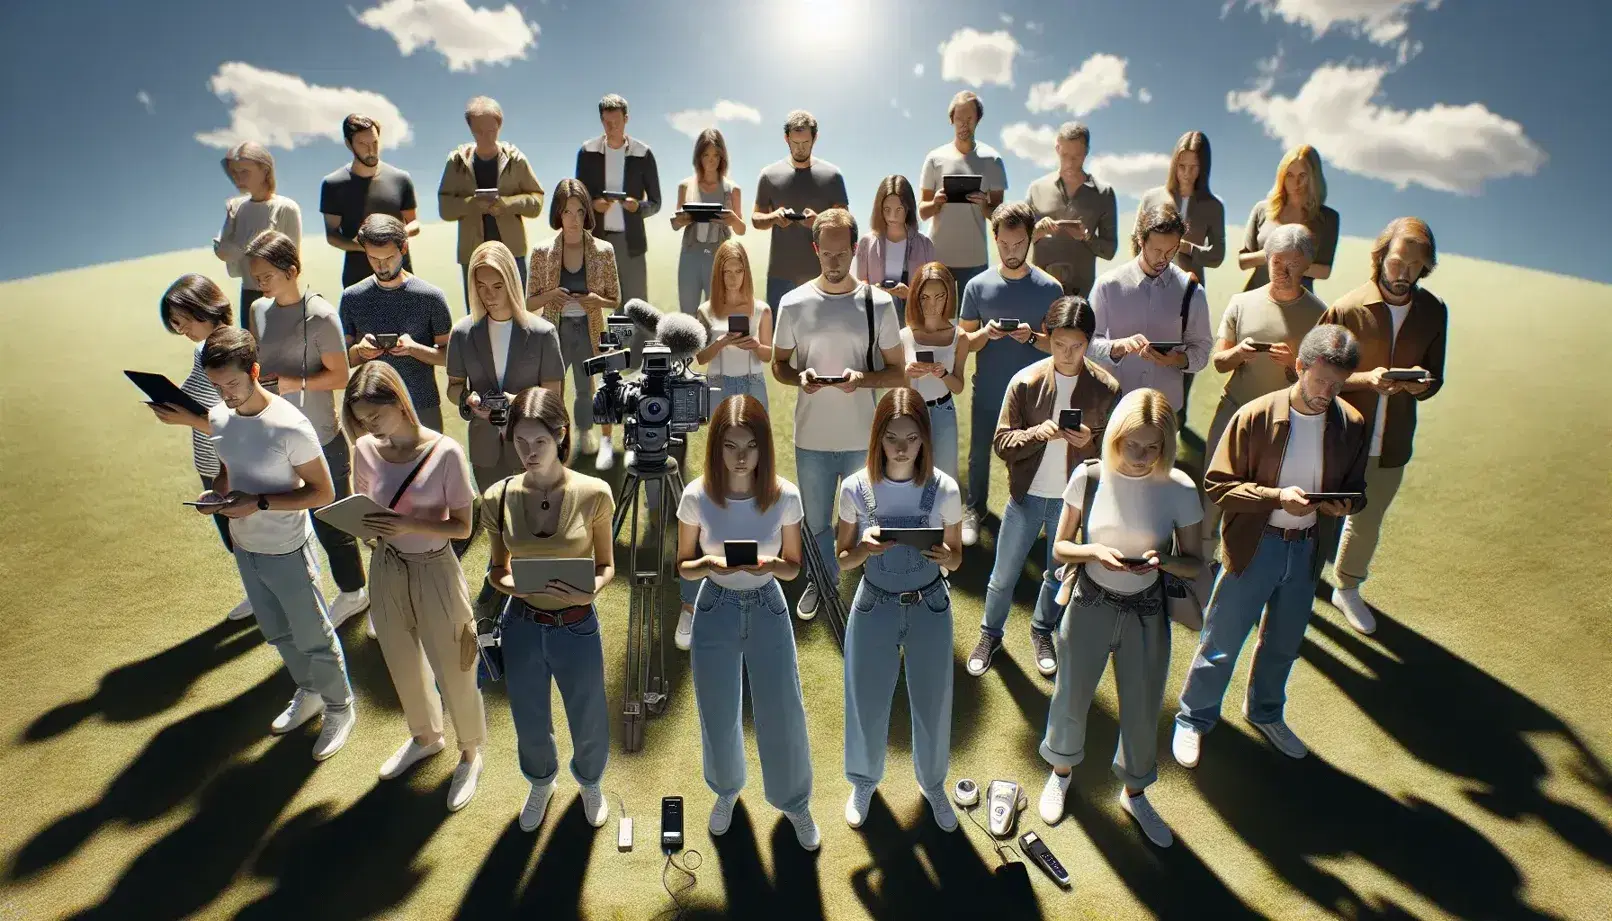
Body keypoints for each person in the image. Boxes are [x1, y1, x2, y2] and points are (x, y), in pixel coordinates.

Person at [1173, 324, 1369, 769]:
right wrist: (1276, 498)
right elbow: (1218, 486)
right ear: (1299, 367)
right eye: (1320, 380)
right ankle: (1193, 717)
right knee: (1222, 640)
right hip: (1254, 546)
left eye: (1337, 385)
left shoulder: (1350, 424)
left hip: (1306, 550)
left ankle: (1265, 712)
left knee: (1283, 641)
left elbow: (1358, 491)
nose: (1327, 393)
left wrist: (1341, 505)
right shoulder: (1256, 415)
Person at [1037, 388, 1204, 848]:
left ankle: (1135, 792)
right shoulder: (1089, 476)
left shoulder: (1180, 488)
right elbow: (1059, 547)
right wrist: (1093, 552)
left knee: (1143, 704)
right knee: (1071, 696)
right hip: (1090, 600)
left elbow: (1194, 562)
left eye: (1154, 447)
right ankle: (1061, 772)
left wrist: (1162, 561)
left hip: (1147, 611)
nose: (1143, 456)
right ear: (1115, 437)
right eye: (1134, 444)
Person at [195, 326, 356, 760]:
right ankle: (310, 691)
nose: (225, 393)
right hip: (246, 546)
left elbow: (323, 493)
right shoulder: (218, 417)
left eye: (232, 382)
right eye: (217, 385)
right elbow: (228, 469)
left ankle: (341, 706)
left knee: (313, 633)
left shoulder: (290, 426)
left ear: (254, 371)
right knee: (276, 631)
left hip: (287, 547)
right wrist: (218, 491)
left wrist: (259, 503)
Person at [675, 395, 819, 848]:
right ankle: (725, 791)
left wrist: (770, 564)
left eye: (750, 446)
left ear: (763, 447)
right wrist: (711, 565)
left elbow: (793, 566)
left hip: (767, 605)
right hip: (714, 607)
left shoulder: (785, 495)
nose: (741, 457)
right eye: (731, 445)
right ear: (716, 447)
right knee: (717, 712)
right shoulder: (696, 495)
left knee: (782, 711)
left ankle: (795, 803)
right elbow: (684, 566)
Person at [343, 362, 486, 811]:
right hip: (386, 564)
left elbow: (463, 528)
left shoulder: (445, 453)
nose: (369, 428)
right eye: (362, 421)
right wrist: (367, 529)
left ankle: (470, 752)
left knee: (456, 662)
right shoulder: (364, 449)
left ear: (399, 402)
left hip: (434, 567)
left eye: (375, 417)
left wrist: (406, 523)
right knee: (399, 657)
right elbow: (362, 504)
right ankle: (425, 737)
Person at [481, 387, 616, 832]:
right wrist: (512, 586)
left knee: (588, 711)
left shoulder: (594, 493)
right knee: (528, 714)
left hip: (577, 625)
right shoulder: (496, 497)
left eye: (538, 440)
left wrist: (588, 593)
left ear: (560, 435)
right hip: (520, 625)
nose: (528, 451)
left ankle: (590, 782)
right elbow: (496, 571)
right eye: (519, 441)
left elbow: (606, 565)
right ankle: (541, 782)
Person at [969, 296, 1121, 679]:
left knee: (1056, 576)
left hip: (1071, 505)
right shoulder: (1025, 382)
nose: (1068, 354)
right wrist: (1038, 433)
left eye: (1077, 346)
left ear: (1089, 342)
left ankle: (1042, 631)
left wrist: (1088, 441)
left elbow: (1118, 457)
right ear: (1047, 337)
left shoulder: (1107, 388)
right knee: (1003, 576)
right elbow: (1002, 443)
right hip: (1027, 497)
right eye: (1058, 345)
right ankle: (990, 633)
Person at [836, 388, 964, 832]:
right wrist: (863, 549)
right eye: (893, 437)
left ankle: (932, 785)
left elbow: (957, 557)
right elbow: (843, 557)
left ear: (925, 438)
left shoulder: (944, 488)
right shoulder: (856, 487)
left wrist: (947, 558)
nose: (903, 447)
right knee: (866, 699)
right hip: (874, 603)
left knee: (932, 700)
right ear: (879, 438)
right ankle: (864, 782)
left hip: (930, 604)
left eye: (911, 437)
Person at [771, 208, 906, 621]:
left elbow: (898, 372)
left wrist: (860, 379)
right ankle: (821, 582)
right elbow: (779, 365)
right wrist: (801, 377)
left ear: (854, 250)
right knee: (815, 524)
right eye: (826, 254)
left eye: (841, 253)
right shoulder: (792, 304)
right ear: (815, 250)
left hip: (861, 438)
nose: (833, 262)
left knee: (868, 521)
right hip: (811, 437)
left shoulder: (878, 303)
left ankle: (875, 591)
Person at [1319, 218, 1447, 634]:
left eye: (1415, 265)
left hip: (1392, 444)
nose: (1404, 272)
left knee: (1367, 519)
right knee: (1318, 514)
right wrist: (1365, 380)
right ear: (1381, 258)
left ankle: (1347, 587)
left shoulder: (1434, 312)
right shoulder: (1345, 308)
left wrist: (1421, 386)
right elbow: (1311, 371)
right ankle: (1294, 585)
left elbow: (1435, 379)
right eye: (1397, 261)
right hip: (1340, 437)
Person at [243, 230, 370, 627]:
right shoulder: (258, 312)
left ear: (292, 270)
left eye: (267, 276)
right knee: (285, 515)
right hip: (273, 434)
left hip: (319, 436)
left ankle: (354, 591)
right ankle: (302, 582)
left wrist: (295, 382)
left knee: (331, 520)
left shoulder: (321, 316)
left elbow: (340, 376)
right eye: (256, 277)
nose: (260, 285)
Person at [446, 240, 565, 616]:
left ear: (512, 283)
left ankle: (537, 579)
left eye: (497, 286)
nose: (489, 294)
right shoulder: (463, 333)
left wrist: (521, 402)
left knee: (534, 513)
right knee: (496, 514)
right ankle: (499, 574)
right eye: (481, 286)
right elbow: (453, 387)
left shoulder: (543, 333)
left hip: (530, 445)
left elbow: (554, 394)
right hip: (484, 445)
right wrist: (467, 402)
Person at [1202, 224, 1327, 562]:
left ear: (1306, 266)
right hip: (1234, 410)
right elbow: (1219, 362)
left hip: (1283, 421)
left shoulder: (1320, 315)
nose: (1283, 272)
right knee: (1214, 488)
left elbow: (1320, 382)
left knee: (1261, 497)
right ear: (1267, 260)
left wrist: (1293, 366)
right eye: (1276, 262)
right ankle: (1198, 562)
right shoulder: (1241, 303)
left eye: (1292, 265)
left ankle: (1240, 564)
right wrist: (1239, 353)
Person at [956, 202, 1062, 547]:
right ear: (995, 237)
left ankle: (1034, 515)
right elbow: (965, 343)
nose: (1011, 251)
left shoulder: (1050, 289)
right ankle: (974, 510)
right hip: (988, 389)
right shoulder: (976, 286)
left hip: (1034, 395)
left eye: (1019, 244)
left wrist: (1032, 336)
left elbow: (1058, 347)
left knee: (1033, 454)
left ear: (1030, 239)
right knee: (978, 455)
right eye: (1004, 244)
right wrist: (985, 334)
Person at [151, 274, 251, 620]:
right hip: (209, 457)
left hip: (233, 461)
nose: (181, 329)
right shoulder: (201, 351)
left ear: (205, 308)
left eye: (183, 320)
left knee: (247, 532)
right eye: (175, 324)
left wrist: (186, 418)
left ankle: (269, 597)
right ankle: (257, 593)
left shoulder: (234, 350)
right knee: (231, 535)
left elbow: (241, 423)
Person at [526, 179, 623, 470]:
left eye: (579, 212)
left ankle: (590, 435)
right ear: (558, 213)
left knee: (588, 387)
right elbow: (530, 303)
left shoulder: (603, 250)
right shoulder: (542, 252)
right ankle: (555, 441)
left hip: (590, 327)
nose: (573, 219)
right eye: (567, 212)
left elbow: (615, 299)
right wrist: (552, 296)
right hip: (554, 330)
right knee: (552, 389)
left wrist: (595, 300)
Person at [1134, 131, 1225, 426]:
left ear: (1205, 168)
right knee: (1145, 350)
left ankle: (1176, 419)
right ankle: (1140, 415)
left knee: (1183, 354)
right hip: (1149, 289)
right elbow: (1136, 242)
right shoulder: (1152, 197)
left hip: (1188, 293)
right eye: (1181, 165)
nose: (1186, 173)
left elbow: (1218, 255)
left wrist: (1190, 249)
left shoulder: (1213, 206)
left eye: (1194, 167)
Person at [1087, 201, 1213, 413]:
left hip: (1166, 408)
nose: (1163, 258)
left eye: (1171, 250)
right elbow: (1087, 345)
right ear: (1140, 240)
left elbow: (1202, 351)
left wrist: (1177, 359)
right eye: (1156, 250)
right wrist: (1118, 347)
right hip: (1115, 407)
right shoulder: (1107, 285)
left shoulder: (1192, 292)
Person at [341, 215, 453, 432]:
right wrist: (360, 351)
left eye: (388, 258)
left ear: (403, 248)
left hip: (422, 405)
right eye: (373, 258)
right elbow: (342, 359)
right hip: (372, 412)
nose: (381, 266)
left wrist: (414, 349)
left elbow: (450, 356)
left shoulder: (430, 297)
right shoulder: (352, 297)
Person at [438, 96, 545, 311]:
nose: (486, 137)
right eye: (479, 131)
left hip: (512, 252)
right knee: (478, 315)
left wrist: (507, 203)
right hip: (473, 254)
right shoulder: (456, 162)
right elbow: (445, 208)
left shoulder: (516, 160)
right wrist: (472, 204)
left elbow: (536, 201)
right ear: (470, 129)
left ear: (500, 126)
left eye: (491, 130)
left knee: (518, 311)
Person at [576, 94, 662, 325]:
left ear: (626, 119)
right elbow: (578, 198)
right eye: (606, 122)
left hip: (630, 243)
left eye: (616, 121)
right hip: (597, 241)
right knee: (597, 303)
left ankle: (637, 358)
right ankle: (606, 356)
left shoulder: (643, 153)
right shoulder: (587, 152)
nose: (611, 127)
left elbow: (656, 202)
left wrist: (637, 207)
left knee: (637, 306)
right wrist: (593, 205)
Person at [752, 110, 850, 309]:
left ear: (815, 138)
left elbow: (846, 223)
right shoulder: (768, 175)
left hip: (821, 274)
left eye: (805, 143)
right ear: (786, 138)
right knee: (779, 338)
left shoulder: (832, 176)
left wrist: (819, 222)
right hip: (780, 275)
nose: (800, 149)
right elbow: (756, 218)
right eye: (795, 143)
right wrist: (773, 217)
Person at [917, 91, 1007, 293]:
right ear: (951, 120)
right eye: (959, 118)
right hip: (938, 258)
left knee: (972, 323)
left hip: (975, 261)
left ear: (978, 120)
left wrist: (985, 205)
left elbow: (1000, 218)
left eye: (969, 119)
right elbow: (922, 211)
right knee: (939, 321)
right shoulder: (934, 158)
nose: (964, 124)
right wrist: (936, 203)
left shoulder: (992, 160)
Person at [320, 113, 420, 292]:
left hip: (402, 277)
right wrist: (367, 246)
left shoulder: (401, 178)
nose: (371, 150)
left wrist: (394, 238)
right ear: (348, 144)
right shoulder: (332, 184)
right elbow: (332, 236)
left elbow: (414, 223)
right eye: (363, 144)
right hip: (357, 281)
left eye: (374, 143)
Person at [213, 142, 301, 329]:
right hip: (249, 293)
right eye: (234, 172)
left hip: (281, 295)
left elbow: (293, 260)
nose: (238, 178)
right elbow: (222, 251)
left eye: (245, 171)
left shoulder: (286, 208)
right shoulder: (236, 208)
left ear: (265, 170)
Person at [1025, 122, 1117, 298]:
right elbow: (1018, 241)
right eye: (1065, 155)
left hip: (1080, 298)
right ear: (1057, 148)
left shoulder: (1104, 193)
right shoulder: (1036, 188)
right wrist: (1036, 231)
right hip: (1038, 292)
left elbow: (1110, 251)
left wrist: (1087, 238)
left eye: (1077, 156)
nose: (1069, 163)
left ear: (1087, 151)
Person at [896, 262, 966, 480]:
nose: (932, 304)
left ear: (949, 296)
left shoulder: (959, 337)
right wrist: (907, 373)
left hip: (943, 411)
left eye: (939, 296)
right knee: (911, 476)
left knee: (946, 479)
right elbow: (898, 389)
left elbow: (959, 387)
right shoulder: (904, 335)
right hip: (911, 413)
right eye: (925, 297)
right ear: (916, 297)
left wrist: (944, 374)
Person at [1238, 144, 1339, 292]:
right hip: (1255, 297)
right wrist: (1270, 255)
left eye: (1302, 176)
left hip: (1299, 305)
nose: (1295, 183)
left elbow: (1324, 271)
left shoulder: (1328, 218)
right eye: (1289, 175)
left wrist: (1288, 263)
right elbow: (1243, 261)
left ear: (1314, 177)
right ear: (1281, 176)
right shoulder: (1262, 209)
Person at [672, 128, 746, 315]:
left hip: (719, 256)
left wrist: (733, 219)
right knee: (687, 313)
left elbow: (741, 229)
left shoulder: (732, 189)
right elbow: (675, 224)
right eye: (706, 155)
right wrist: (683, 219)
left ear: (722, 157)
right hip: (690, 256)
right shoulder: (685, 186)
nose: (711, 160)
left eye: (715, 155)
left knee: (716, 314)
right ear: (698, 157)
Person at [853, 175, 936, 321]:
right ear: (879, 209)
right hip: (876, 316)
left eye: (899, 209)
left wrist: (909, 294)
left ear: (908, 208)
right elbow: (859, 284)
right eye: (887, 209)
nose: (892, 216)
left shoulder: (925, 245)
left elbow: (933, 292)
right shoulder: (866, 242)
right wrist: (874, 291)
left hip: (914, 319)